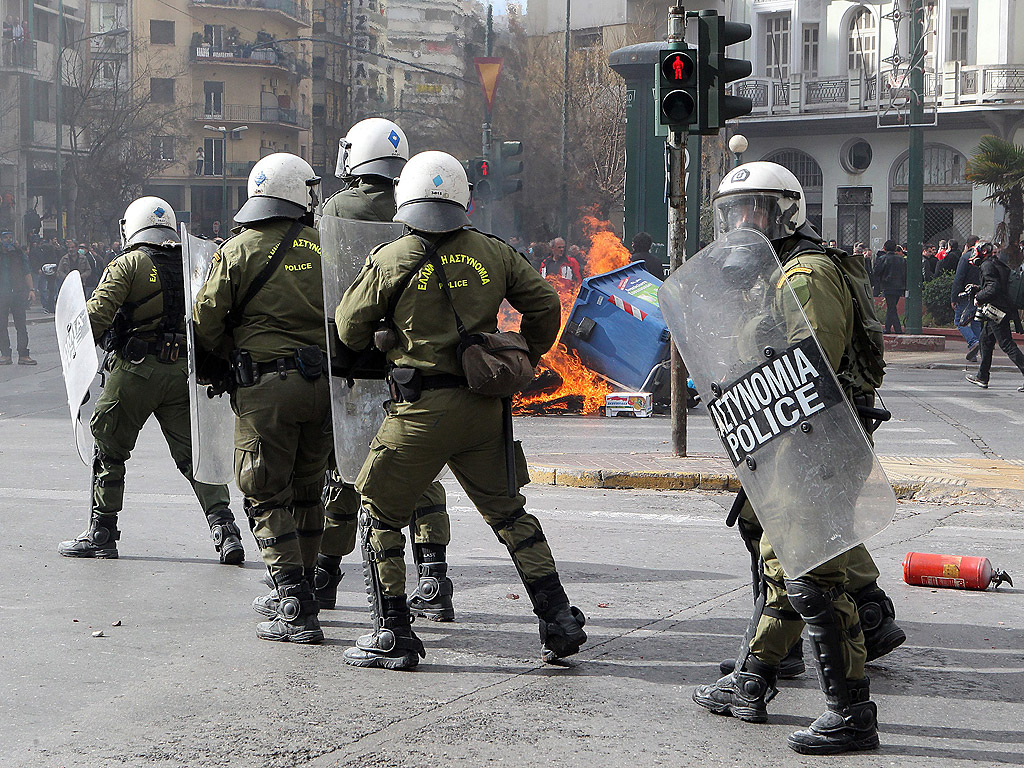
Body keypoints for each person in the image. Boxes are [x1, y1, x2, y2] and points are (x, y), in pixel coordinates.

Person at [333, 151, 587, 670]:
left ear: (406, 198)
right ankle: (558, 620)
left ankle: (393, 635)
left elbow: (346, 326)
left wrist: (387, 339)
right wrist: (524, 350)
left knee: (378, 512)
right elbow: (545, 304)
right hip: (482, 410)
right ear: (463, 199)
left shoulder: (390, 258)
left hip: (419, 412)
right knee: (510, 514)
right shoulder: (493, 253)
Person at [693, 162, 901, 754]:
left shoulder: (805, 276)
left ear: (787, 210)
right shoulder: (776, 275)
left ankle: (852, 713)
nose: (741, 223)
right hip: (785, 439)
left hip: (814, 440)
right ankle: (754, 679)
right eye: (732, 212)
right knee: (785, 565)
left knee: (812, 575)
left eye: (752, 210)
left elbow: (814, 367)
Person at [288, 117, 456, 622]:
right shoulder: (416, 205)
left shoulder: (336, 208)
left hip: (353, 358)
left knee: (347, 469)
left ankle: (325, 576)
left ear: (354, 156)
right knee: (418, 469)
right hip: (411, 359)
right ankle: (433, 575)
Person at [193, 153, 333, 644]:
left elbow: (206, 321)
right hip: (322, 389)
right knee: (307, 492)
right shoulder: (327, 248)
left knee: (263, 492)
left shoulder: (237, 250)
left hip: (266, 390)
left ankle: (294, 604)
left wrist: (227, 356)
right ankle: (304, 588)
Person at [57, 198, 243, 564]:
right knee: (196, 458)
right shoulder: (195, 262)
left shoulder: (129, 263)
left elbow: (95, 316)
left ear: (133, 226)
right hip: (182, 375)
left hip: (135, 371)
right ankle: (225, 531)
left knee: (109, 447)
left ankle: (102, 533)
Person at [964, 242, 1024, 390]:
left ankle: (982, 376)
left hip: (997, 311)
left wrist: (979, 297)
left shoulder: (987, 265)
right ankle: (982, 376)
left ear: (983, 252)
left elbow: (993, 288)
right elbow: (997, 285)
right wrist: (978, 288)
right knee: (985, 340)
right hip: (1001, 309)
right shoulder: (997, 263)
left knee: (1006, 344)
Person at [0, 230, 36, 365]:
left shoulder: (19, 253)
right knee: (1, 325)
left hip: (18, 292)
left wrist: (31, 289)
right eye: (5, 237)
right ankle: (5, 354)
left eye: (10, 237)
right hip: (2, 294)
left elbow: (27, 271)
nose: (8, 240)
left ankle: (23, 354)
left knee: (21, 325)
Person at [952, 237, 982, 361]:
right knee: (976, 322)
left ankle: (973, 342)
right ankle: (979, 352)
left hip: (966, 294)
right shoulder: (983, 258)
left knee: (960, 321)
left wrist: (954, 297)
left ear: (967, 245)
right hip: (980, 294)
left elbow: (958, 278)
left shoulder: (965, 258)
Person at [873, 240, 905, 334]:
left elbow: (876, 272)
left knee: (891, 307)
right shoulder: (901, 259)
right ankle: (890, 328)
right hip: (899, 286)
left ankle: (895, 329)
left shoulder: (882, 258)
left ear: (884, 248)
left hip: (888, 286)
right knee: (892, 307)